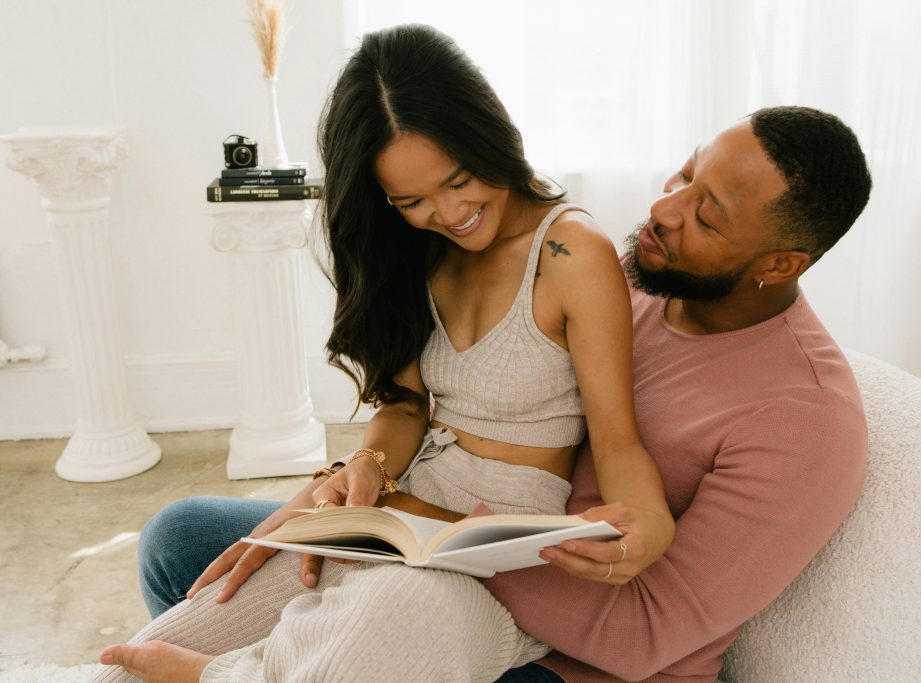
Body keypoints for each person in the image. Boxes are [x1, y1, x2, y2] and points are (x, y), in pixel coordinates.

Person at [91, 23, 675, 683]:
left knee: (368, 637)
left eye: (458, 180)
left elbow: (617, 439)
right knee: (128, 668)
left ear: (493, 132)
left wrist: (650, 522)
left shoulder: (571, 254)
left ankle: (225, 675)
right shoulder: (416, 248)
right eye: (411, 200)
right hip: (391, 515)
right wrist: (350, 474)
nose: (448, 213)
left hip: (490, 559)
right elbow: (403, 406)